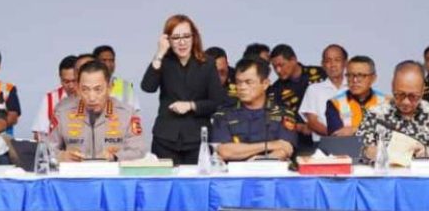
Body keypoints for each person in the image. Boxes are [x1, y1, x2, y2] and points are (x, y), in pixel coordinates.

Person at [141, 14, 226, 165]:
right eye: (176, 38)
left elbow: (217, 102)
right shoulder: (163, 61)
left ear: (194, 37)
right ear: (168, 40)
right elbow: (147, 87)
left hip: (197, 139)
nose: (182, 42)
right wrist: (159, 53)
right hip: (165, 138)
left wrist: (191, 106)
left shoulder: (207, 63)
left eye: (186, 36)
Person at [51, 60, 145, 161]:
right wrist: (61, 156)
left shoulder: (127, 114)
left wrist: (115, 157)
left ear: (109, 88)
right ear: (78, 88)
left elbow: (139, 151)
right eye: (85, 89)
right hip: (76, 170)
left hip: (111, 170)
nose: (91, 97)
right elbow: (46, 150)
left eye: (98, 89)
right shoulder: (62, 113)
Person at [357, 60, 429, 160]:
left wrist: (427, 153)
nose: (406, 102)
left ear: (422, 90)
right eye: (400, 95)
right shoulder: (375, 115)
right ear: (392, 86)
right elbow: (356, 151)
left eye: (413, 96)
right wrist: (368, 152)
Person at [211, 58, 297, 161]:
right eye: (238, 82)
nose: (242, 87)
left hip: (270, 170)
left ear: (265, 84)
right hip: (234, 171)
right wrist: (271, 145)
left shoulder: (282, 114)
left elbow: (285, 149)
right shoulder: (224, 114)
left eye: (248, 82)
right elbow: (224, 151)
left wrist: (258, 161)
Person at [268, 44, 326, 153]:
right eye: (275, 67)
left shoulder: (320, 73)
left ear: (293, 60)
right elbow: (276, 120)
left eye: (281, 65)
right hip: (301, 143)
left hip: (330, 136)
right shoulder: (275, 90)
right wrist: (300, 127)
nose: (278, 70)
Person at [325, 55, 389, 136]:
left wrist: (355, 130)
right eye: (350, 75)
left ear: (373, 78)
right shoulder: (335, 103)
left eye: (361, 75)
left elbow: (393, 133)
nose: (355, 80)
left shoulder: (387, 102)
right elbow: (338, 135)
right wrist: (374, 129)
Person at [300, 44, 348, 142]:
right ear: (323, 64)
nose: (333, 64)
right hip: (323, 143)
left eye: (337, 60)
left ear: (345, 63)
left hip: (354, 142)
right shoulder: (314, 90)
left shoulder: (355, 88)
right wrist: (335, 135)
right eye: (328, 61)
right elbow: (312, 122)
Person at [31, 55, 77, 139]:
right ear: (60, 78)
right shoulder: (50, 99)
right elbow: (39, 134)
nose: (71, 86)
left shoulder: (92, 99)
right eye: (66, 81)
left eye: (74, 81)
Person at [94, 45, 140, 111]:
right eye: (104, 60)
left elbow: (135, 112)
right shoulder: (85, 85)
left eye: (111, 60)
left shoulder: (125, 86)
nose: (108, 64)